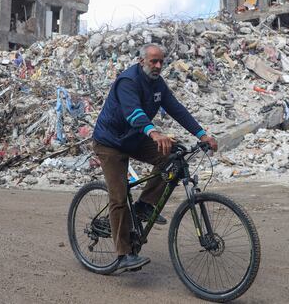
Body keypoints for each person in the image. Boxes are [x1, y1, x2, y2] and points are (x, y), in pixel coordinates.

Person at [92, 43, 218, 274]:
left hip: (134, 138)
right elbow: (133, 112)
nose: (158, 66)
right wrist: (154, 132)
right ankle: (123, 255)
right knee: (119, 197)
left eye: (161, 61)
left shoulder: (157, 84)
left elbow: (176, 109)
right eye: (154, 61)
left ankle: (143, 205)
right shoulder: (127, 81)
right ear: (142, 61)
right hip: (110, 142)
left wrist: (202, 134)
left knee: (172, 157)